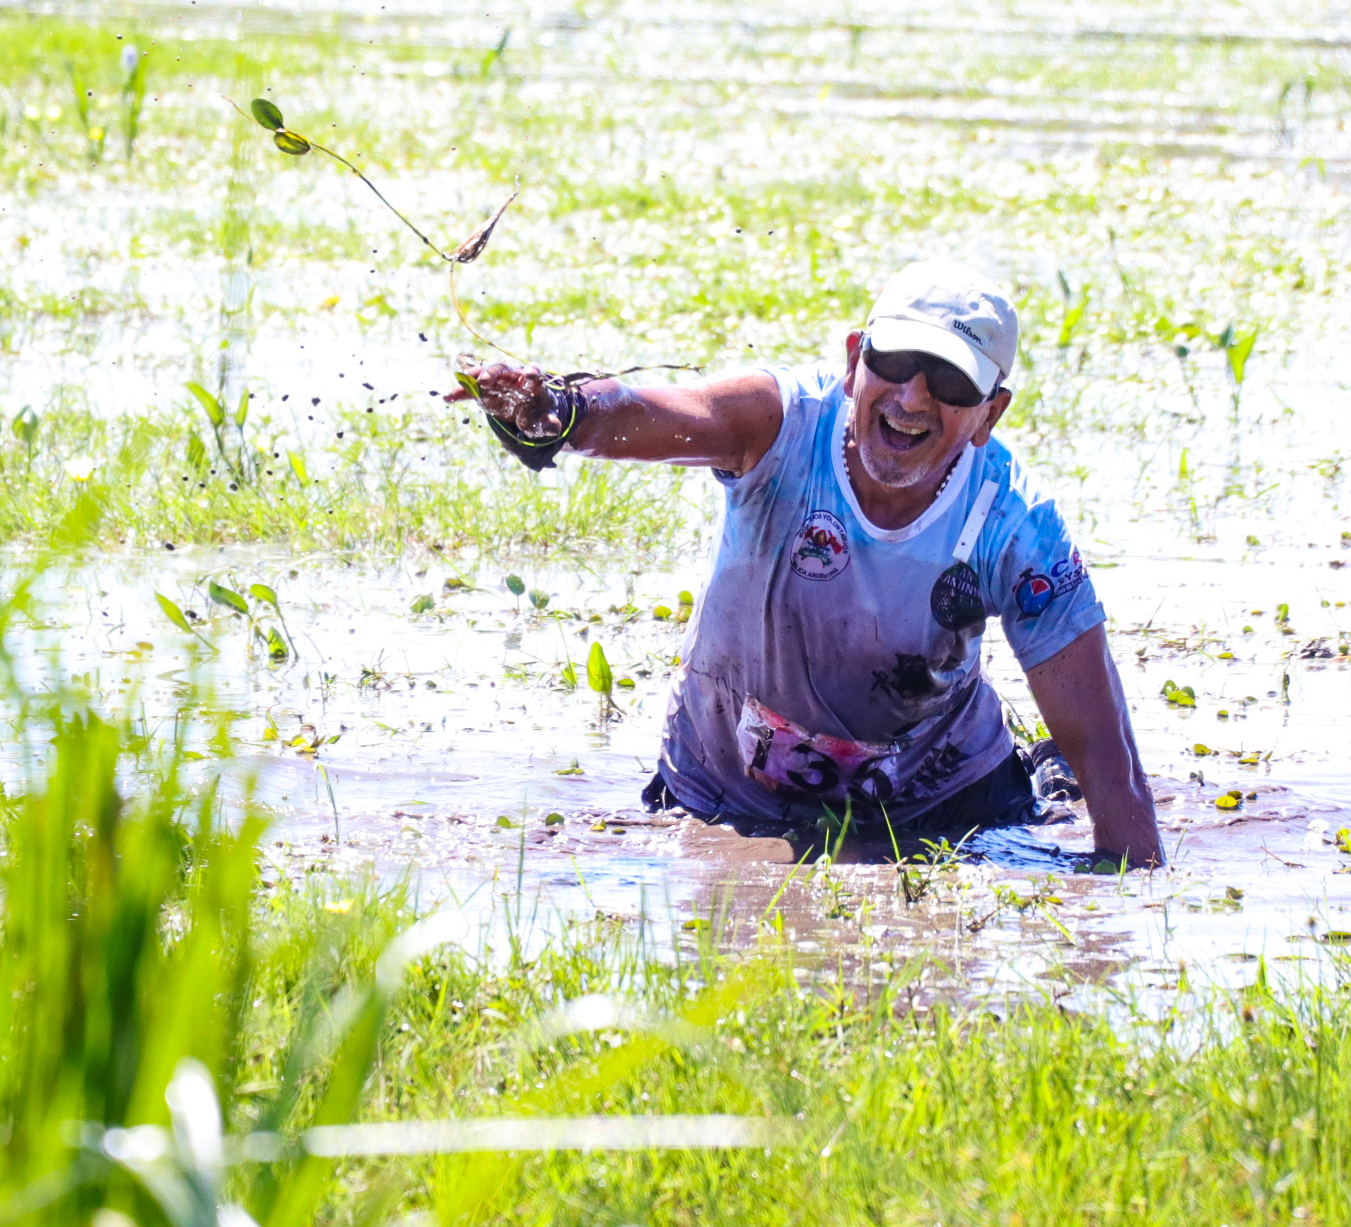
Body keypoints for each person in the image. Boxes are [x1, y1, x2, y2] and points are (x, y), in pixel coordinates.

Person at [450, 260, 1164, 866]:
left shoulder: (1017, 527)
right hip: (720, 794)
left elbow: (1106, 752)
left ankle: (1038, 786)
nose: (913, 399)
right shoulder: (778, 426)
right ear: (855, 360)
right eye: (895, 364)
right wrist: (556, 412)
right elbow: (650, 413)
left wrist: (1128, 917)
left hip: (942, 806)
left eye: (950, 383)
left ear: (990, 413)